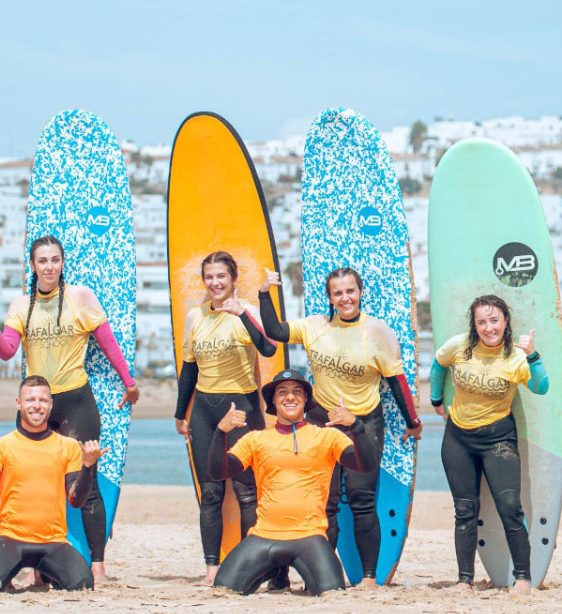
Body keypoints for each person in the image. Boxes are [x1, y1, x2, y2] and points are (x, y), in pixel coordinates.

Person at [0, 234, 137, 583]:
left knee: (87, 481)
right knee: (32, 481)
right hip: (39, 404)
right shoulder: (22, 305)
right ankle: (37, 567)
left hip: (77, 400)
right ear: (32, 266)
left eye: (54, 260)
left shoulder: (80, 297)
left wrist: (129, 382)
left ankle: (98, 565)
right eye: (42, 261)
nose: (49, 266)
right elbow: (7, 351)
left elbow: (107, 341)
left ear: (62, 263)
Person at [258, 267, 422, 588]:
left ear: (360, 292)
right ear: (330, 297)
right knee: (324, 503)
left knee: (362, 500)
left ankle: (369, 579)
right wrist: (264, 293)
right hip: (322, 421)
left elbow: (397, 381)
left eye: (350, 291)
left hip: (363, 423)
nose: (345, 298)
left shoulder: (378, 332)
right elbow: (275, 331)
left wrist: (412, 422)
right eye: (338, 293)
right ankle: (324, 577)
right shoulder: (315, 326)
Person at [211, 369, 377, 596]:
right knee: (223, 588)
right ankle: (274, 576)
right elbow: (218, 471)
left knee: (332, 591)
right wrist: (221, 432)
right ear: (273, 401)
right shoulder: (257, 439)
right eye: (283, 392)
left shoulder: (327, 437)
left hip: (310, 537)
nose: (290, 397)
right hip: (263, 536)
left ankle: (285, 577)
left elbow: (365, 464)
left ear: (306, 400)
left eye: (297, 392)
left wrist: (356, 426)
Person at [429, 294, 548, 593]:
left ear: (506, 322)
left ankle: (522, 578)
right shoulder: (459, 346)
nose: (488, 327)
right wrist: (436, 399)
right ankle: (464, 580)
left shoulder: (515, 357)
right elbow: (437, 365)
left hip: (498, 440)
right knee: (465, 511)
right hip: (458, 438)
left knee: (509, 506)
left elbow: (541, 387)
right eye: (482, 322)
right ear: (475, 325)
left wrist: (533, 356)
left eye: (494, 320)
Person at [174, 251, 280, 583]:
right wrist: (181, 413)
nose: (215, 283)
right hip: (205, 411)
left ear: (233, 278)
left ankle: (252, 567)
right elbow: (189, 368)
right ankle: (211, 569)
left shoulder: (246, 310)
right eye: (209, 277)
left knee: (248, 490)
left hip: (242, 407)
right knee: (211, 492)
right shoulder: (195, 317)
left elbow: (268, 349)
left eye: (221, 276)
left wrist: (242, 315)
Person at [0, 375, 99, 592]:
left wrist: (88, 466)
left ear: (51, 404)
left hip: (53, 542)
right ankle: (20, 574)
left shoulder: (68, 446)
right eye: (30, 400)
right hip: (11, 539)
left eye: (43, 400)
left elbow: (76, 500)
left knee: (83, 585)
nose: (36, 406)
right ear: (18, 404)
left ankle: (43, 573)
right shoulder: (2, 445)